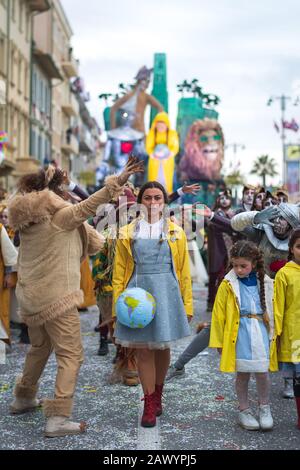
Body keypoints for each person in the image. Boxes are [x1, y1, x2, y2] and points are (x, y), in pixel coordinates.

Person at [8, 157, 143, 438]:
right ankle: (58, 418)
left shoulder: (30, 221)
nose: (70, 191)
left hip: (31, 297)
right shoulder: (60, 217)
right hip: (58, 298)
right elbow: (88, 206)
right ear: (55, 192)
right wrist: (117, 181)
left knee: (39, 348)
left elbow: (92, 235)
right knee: (71, 355)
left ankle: (23, 397)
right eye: (66, 186)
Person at [112, 181, 193, 428]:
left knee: (161, 347)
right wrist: (118, 303)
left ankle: (158, 394)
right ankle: (148, 402)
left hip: (167, 291)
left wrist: (187, 304)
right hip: (138, 295)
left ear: (164, 201)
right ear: (140, 201)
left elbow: (183, 270)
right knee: (143, 349)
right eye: (148, 197)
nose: (153, 202)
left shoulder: (176, 233)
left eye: (158, 197)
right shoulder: (127, 232)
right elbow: (119, 271)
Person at [209, 240, 274, 431]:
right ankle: (244, 410)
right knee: (243, 373)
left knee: (262, 372)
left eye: (243, 266)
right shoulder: (227, 284)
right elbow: (218, 314)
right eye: (235, 265)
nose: (238, 269)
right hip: (239, 333)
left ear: (253, 263)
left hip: (260, 331)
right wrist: (219, 342)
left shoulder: (266, 282)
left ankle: (264, 408)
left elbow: (274, 309)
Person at [271, 228, 300, 429]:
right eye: (299, 246)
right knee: (299, 379)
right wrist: (276, 335)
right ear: (291, 249)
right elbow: (278, 307)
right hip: (295, 335)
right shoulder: (284, 273)